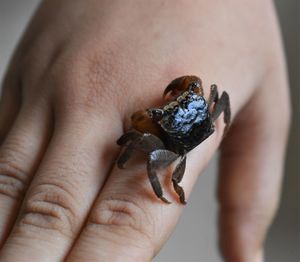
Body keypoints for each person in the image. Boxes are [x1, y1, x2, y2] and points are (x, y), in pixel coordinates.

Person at [0, 0, 290, 261]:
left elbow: (141, 142)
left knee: (149, 153)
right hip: (189, 159)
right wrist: (219, 123)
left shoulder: (164, 124)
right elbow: (218, 98)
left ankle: (167, 192)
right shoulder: (204, 103)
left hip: (176, 155)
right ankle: (171, 192)